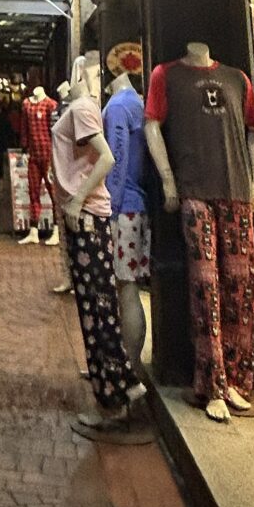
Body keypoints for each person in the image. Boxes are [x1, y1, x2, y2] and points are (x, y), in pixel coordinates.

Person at [52, 53, 151, 443]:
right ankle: (122, 386)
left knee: (98, 309)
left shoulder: (82, 108)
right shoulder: (86, 107)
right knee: (98, 306)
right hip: (89, 216)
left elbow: (109, 157)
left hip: (88, 217)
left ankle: (115, 396)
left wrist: (77, 200)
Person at [102, 65, 151, 375]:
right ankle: (125, 362)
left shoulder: (119, 107)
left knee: (126, 287)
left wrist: (111, 207)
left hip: (125, 209)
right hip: (138, 205)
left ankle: (130, 366)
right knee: (126, 287)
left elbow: (116, 161)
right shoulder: (137, 104)